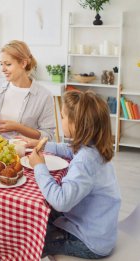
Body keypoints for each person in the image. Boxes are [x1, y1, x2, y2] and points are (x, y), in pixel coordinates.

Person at [26, 90, 121, 259]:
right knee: (37, 215)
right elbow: (70, 151)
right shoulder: (93, 148)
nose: (61, 121)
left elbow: (61, 202)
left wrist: (40, 167)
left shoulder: (85, 161)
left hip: (89, 242)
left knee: (28, 242)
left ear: (77, 124)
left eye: (62, 117)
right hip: (98, 227)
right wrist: (42, 145)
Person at [0, 40, 55, 140]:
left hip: (25, 151)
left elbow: (48, 136)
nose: (3, 69)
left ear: (23, 63)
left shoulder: (44, 96)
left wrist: (18, 127)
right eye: (1, 64)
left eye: (8, 64)